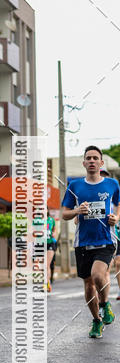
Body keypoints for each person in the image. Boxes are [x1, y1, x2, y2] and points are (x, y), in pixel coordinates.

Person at [61, 145, 120, 338]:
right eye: (89, 158)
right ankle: (96, 321)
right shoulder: (75, 186)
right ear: (84, 163)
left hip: (106, 239)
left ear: (101, 163)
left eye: (96, 158)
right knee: (88, 284)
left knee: (97, 275)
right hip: (83, 242)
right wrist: (78, 211)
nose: (92, 161)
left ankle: (104, 305)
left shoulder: (112, 184)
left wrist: (116, 218)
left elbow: (119, 205)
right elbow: (64, 214)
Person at [46, 211, 57, 292]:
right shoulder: (36, 220)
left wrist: (54, 233)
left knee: (47, 265)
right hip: (40, 243)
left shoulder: (51, 220)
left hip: (50, 243)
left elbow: (54, 229)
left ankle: (47, 283)